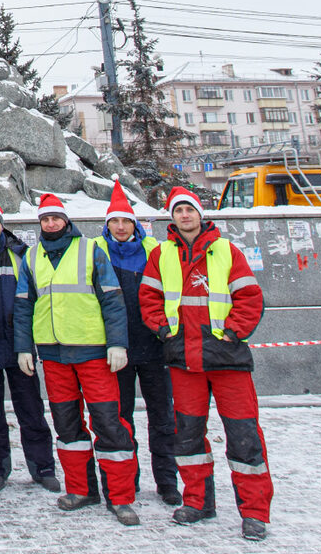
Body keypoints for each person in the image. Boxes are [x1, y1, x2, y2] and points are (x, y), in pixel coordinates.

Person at [139, 187, 272, 542]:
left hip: (227, 359)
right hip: (185, 360)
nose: (184, 216)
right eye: (178, 211)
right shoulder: (162, 255)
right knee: (188, 437)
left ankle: (254, 512)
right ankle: (198, 502)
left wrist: (234, 332)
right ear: (172, 217)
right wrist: (163, 330)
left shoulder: (227, 250)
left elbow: (249, 296)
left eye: (189, 210)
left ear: (200, 214)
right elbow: (149, 298)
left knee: (244, 438)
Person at [13, 192, 140, 527]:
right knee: (67, 425)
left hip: (93, 353)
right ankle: (81, 489)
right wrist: (24, 348)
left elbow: (112, 300)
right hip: (53, 357)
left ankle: (121, 497)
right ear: (40, 223)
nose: (51, 223)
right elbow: (24, 306)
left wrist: (117, 343)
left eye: (56, 218)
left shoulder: (90, 250)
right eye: (45, 219)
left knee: (109, 425)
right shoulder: (31, 256)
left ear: (66, 221)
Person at [0, 201, 59, 493]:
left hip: (19, 343)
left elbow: (31, 298)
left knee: (31, 409)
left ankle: (42, 466)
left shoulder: (20, 254)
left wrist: (27, 343)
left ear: (1, 224)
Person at [100, 182, 181, 507]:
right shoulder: (97, 251)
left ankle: (167, 481)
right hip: (115, 350)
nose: (120, 227)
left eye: (126, 221)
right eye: (115, 222)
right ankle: (127, 481)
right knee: (121, 420)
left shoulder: (155, 251)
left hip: (154, 347)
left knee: (163, 418)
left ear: (134, 224)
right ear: (107, 225)